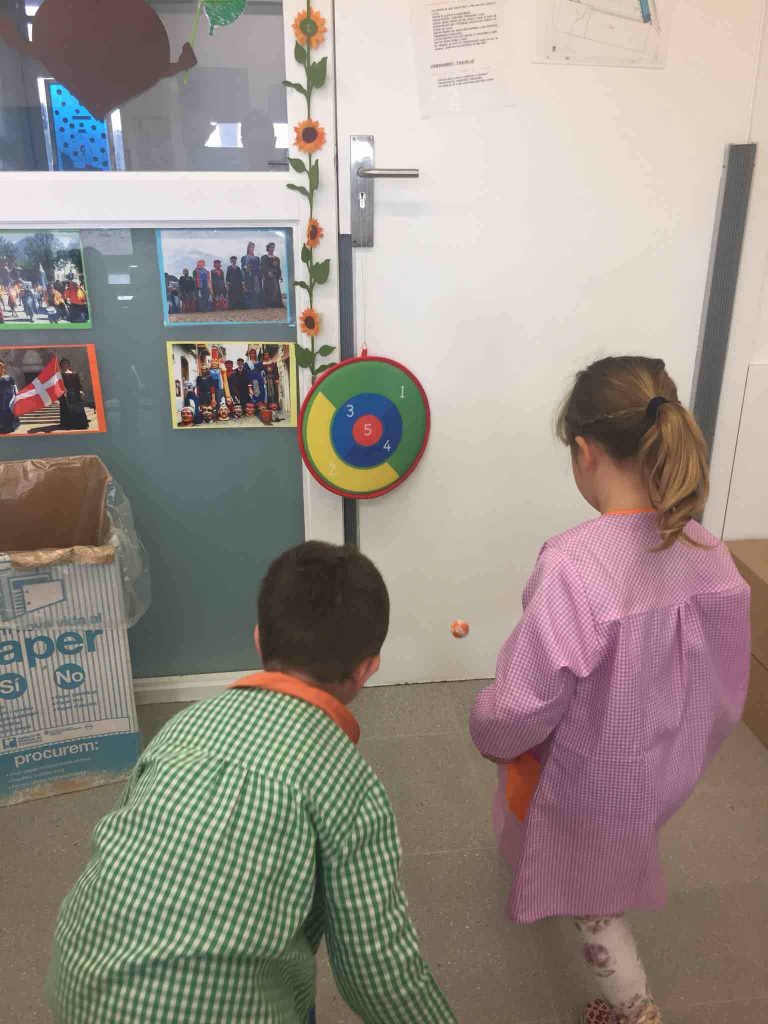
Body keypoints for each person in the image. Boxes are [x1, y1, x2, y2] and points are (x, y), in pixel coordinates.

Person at [47, 542, 456, 1024]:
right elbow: (375, 969)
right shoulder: (350, 785)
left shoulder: (182, 727)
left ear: (259, 640)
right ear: (368, 668)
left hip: (80, 983)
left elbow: (124, 828)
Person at [469, 356, 751, 1024]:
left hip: (593, 777)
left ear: (585, 451)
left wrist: (487, 724)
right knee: (601, 850)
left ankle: (634, 1009)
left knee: (596, 903)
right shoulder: (709, 554)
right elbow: (724, 679)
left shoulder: (575, 566)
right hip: (666, 764)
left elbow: (524, 703)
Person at [58, 358, 89, 430]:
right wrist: (61, 392)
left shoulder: (74, 373)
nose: (65, 364)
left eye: (66, 363)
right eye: (63, 363)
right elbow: (58, 385)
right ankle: (68, 425)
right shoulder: (59, 375)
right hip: (65, 394)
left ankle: (80, 424)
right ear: (61, 365)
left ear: (68, 364)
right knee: (66, 409)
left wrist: (80, 390)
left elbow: (78, 383)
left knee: (77, 408)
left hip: (75, 394)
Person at [261, 241, 284, 308]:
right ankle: (268, 304)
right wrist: (267, 272)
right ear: (268, 248)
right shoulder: (264, 257)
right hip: (267, 277)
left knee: (275, 290)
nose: (272, 248)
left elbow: (278, 268)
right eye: (271, 247)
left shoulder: (277, 258)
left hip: (274, 277)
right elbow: (263, 266)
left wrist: (280, 276)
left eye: (273, 247)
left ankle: (276, 304)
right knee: (268, 290)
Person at [0, 360, 19, 434]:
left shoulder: (8, 377)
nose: (0, 368)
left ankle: (10, 426)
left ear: (3, 368)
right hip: (1, 399)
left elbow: (14, 386)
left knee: (8, 412)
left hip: (8, 399)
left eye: (1, 367)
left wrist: (16, 395)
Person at [241, 241, 262, 309]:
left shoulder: (257, 258)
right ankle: (250, 305)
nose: (252, 248)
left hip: (256, 276)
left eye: (253, 247)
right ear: (248, 248)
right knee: (250, 290)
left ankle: (257, 305)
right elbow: (243, 268)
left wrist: (259, 273)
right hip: (249, 277)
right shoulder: (244, 257)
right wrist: (247, 270)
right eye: (251, 247)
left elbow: (259, 267)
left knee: (257, 290)